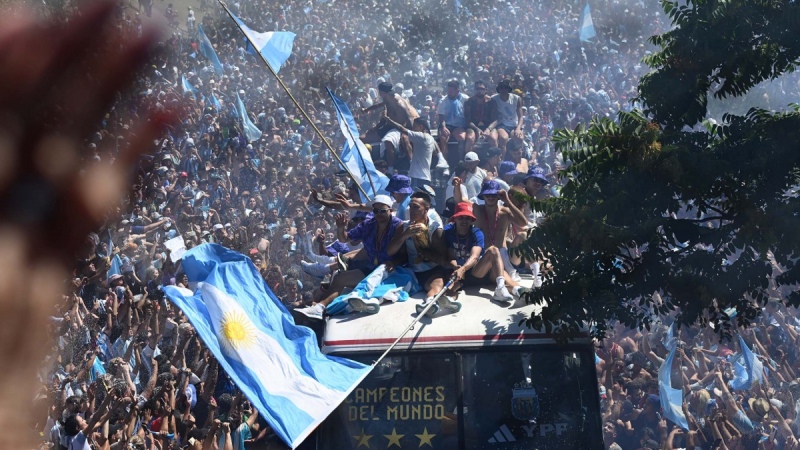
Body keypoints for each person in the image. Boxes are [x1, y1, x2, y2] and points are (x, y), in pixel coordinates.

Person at [295, 195, 402, 320]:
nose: (378, 214)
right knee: (340, 278)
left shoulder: (397, 226)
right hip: (372, 267)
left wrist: (395, 261)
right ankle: (319, 308)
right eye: (375, 211)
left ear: (390, 210)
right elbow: (344, 239)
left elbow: (404, 252)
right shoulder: (369, 224)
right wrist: (341, 228)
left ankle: (327, 272)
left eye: (382, 211)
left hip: (389, 270)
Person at [442, 202, 529, 307]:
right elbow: (449, 255)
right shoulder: (447, 232)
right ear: (455, 218)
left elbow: (475, 256)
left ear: (472, 220)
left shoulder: (476, 233)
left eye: (468, 218)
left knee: (493, 250)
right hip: (458, 273)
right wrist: (455, 267)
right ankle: (446, 304)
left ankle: (516, 290)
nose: (464, 221)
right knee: (449, 289)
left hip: (476, 271)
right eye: (461, 217)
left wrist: (463, 269)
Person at [385, 191, 455, 316]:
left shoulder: (435, 231)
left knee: (437, 283)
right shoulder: (403, 227)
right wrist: (404, 236)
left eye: (416, 207)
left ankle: (429, 303)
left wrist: (425, 253)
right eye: (410, 206)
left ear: (426, 209)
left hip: (432, 271)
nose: (411, 210)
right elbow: (391, 251)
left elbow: (442, 258)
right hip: (411, 272)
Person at [454, 178, 528, 281]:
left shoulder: (505, 212)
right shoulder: (477, 210)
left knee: (523, 235)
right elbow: (459, 200)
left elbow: (523, 223)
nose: (490, 198)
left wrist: (507, 201)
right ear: (483, 196)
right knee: (493, 252)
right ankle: (510, 287)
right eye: (487, 195)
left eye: (493, 195)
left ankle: (528, 273)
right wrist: (457, 186)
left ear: (498, 196)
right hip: (484, 256)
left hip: (504, 256)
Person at [360, 82, 419, 173]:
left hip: (397, 128)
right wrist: (367, 110)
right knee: (361, 139)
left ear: (383, 92)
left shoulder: (399, 103)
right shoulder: (387, 98)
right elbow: (381, 105)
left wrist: (409, 134)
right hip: (387, 126)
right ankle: (363, 165)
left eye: (380, 92)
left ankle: (390, 170)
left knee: (388, 141)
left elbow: (409, 119)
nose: (379, 94)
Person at [383, 115, 438, 189]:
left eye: (415, 126)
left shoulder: (422, 137)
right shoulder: (431, 138)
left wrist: (388, 120)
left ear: (421, 127)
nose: (413, 129)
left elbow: (402, 129)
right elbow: (434, 153)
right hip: (426, 177)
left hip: (417, 177)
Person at [437, 79, 472, 159]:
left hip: (459, 126)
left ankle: (461, 160)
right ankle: (444, 160)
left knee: (461, 137)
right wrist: (443, 127)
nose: (449, 93)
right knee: (443, 137)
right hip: (446, 124)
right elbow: (441, 116)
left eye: (451, 91)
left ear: (457, 90)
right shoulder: (443, 101)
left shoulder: (465, 99)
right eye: (448, 91)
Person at [489, 79, 524, 152]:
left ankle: (517, 158)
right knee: (503, 138)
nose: (503, 90)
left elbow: (520, 116)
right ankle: (501, 159)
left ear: (508, 89)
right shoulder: (494, 99)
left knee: (519, 138)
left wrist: (518, 128)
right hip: (502, 124)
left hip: (514, 124)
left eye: (505, 87)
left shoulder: (516, 99)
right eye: (501, 88)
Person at [464, 80, 498, 151]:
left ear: (486, 90)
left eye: (482, 89)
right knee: (470, 138)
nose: (479, 91)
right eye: (477, 89)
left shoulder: (491, 102)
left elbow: (495, 120)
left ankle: (495, 159)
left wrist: (488, 129)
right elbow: (468, 120)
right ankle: (468, 160)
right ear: (474, 90)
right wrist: (476, 129)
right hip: (473, 126)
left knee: (493, 138)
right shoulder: (469, 102)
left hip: (488, 126)